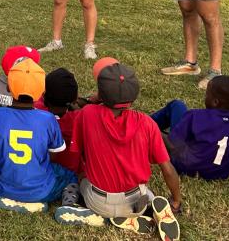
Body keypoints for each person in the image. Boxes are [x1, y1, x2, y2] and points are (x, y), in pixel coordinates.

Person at [70, 63, 181, 240]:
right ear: (134, 95)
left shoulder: (86, 114)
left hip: (98, 201)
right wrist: (176, 201)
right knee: (146, 192)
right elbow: (167, 169)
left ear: (100, 93)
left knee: (81, 181)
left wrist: (81, 173)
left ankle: (97, 213)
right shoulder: (147, 123)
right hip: (135, 198)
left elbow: (76, 154)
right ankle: (152, 207)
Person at [0, 60, 78, 216]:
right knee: (69, 175)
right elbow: (52, 157)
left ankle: (13, 198)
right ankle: (69, 204)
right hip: (41, 191)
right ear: (42, 91)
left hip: (1, 187)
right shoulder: (48, 119)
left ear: (8, 87)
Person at [151, 75, 229, 180]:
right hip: (218, 175)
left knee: (177, 105)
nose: (205, 96)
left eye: (207, 94)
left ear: (215, 102)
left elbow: (173, 145)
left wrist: (157, 133)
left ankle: (141, 124)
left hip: (185, 167)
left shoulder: (194, 116)